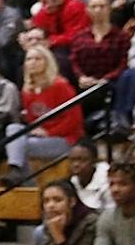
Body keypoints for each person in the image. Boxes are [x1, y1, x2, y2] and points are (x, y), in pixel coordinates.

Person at [5, 45, 81, 186]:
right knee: (13, 129)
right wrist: (35, 129)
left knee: (19, 147)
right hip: (41, 137)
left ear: (47, 62)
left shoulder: (60, 85)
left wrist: (49, 132)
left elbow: (74, 119)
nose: (32, 62)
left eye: (37, 59)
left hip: (65, 139)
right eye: (29, 59)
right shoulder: (27, 90)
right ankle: (16, 171)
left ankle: (25, 183)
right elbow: (33, 119)